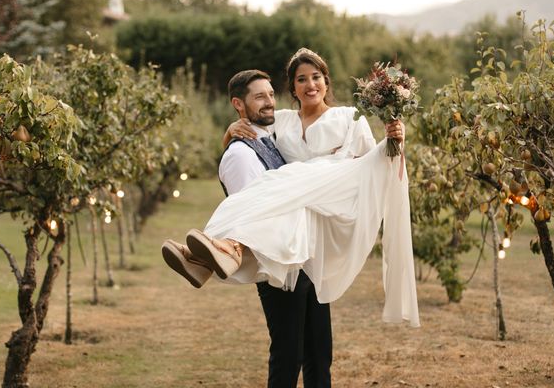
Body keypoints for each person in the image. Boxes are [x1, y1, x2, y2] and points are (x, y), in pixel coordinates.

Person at [163, 47, 419, 330]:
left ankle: (215, 251)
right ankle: (210, 255)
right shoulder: (281, 120)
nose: (310, 84)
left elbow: (374, 165)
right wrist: (231, 130)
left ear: (326, 81)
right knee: (264, 190)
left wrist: (394, 140)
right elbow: (251, 140)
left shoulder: (349, 117)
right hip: (296, 200)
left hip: (333, 196)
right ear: (293, 87)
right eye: (301, 79)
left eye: (316, 77)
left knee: (275, 186)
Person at [163, 68, 332, 387]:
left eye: (271, 94)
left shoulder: (273, 135)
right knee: (288, 355)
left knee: (319, 353)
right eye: (259, 97)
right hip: (279, 268)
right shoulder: (240, 155)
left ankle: (202, 259)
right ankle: (216, 251)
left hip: (306, 259)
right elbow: (251, 212)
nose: (269, 102)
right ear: (239, 105)